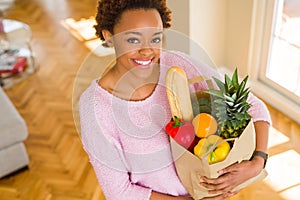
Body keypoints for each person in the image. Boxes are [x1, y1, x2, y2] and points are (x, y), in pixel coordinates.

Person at [79, 0, 271, 199]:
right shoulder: (95, 108)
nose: (147, 51)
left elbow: (253, 105)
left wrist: (258, 161)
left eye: (155, 39)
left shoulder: (178, 64)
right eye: (133, 40)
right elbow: (119, 192)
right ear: (109, 37)